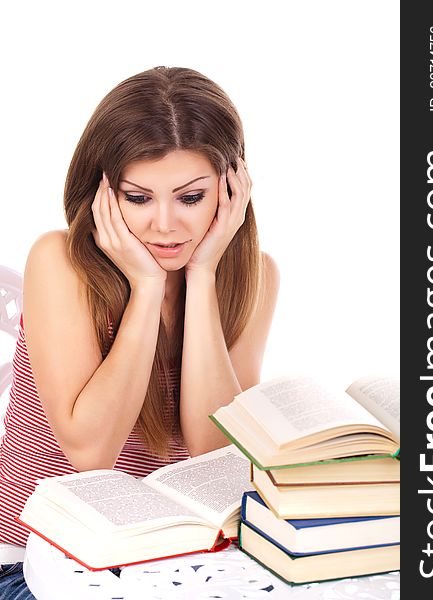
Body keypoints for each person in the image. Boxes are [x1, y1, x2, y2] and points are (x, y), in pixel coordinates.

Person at [0, 66, 279, 598]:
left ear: (231, 188)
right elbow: (91, 452)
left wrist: (201, 278)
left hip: (170, 570)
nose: (165, 225)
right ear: (103, 192)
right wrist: (147, 288)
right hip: (33, 567)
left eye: (191, 198)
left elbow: (213, 449)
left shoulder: (252, 278)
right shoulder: (60, 263)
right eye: (139, 198)